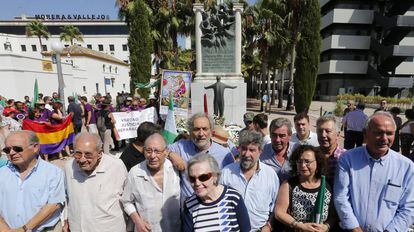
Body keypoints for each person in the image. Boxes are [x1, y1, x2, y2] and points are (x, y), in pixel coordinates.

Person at [334, 112, 414, 231]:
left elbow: (409, 207)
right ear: (365, 134)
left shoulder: (406, 167)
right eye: (378, 133)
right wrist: (354, 228)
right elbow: (341, 197)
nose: (384, 138)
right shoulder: (348, 159)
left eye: (389, 133)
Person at [0, 131, 65, 231]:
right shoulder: (2, 173)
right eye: (7, 150)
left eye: (17, 149)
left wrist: (24, 229)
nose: (12, 153)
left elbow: (54, 205)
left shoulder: (53, 172)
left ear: (35, 147)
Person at [63, 132, 128, 232]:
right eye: (78, 153)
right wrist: (66, 220)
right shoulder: (69, 168)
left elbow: (129, 199)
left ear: (99, 153)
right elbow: (66, 198)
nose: (82, 159)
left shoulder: (116, 166)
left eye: (88, 154)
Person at [221, 130, 279, 231]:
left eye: (252, 150)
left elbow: (275, 206)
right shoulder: (226, 173)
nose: (246, 154)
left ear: (260, 151)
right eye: (244, 149)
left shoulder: (270, 175)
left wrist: (269, 226)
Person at [122, 133, 181, 232]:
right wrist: (137, 221)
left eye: (157, 151)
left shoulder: (175, 168)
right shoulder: (135, 173)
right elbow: (126, 202)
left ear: (166, 152)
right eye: (148, 151)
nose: (152, 156)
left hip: (175, 228)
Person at [168, 113, 234, 199]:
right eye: (196, 129)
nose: (201, 134)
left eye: (205, 129)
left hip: (213, 206)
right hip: (187, 208)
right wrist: (171, 154)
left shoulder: (224, 154)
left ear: (211, 131)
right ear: (190, 131)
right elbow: (159, 149)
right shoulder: (180, 147)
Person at [182, 153, 251, 231]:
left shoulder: (233, 197)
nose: (197, 183)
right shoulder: (189, 205)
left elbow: (246, 229)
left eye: (203, 177)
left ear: (215, 176)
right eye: (192, 179)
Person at [275, 145, 337, 231]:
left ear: (317, 163)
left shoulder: (327, 186)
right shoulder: (288, 185)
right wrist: (300, 226)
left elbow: (333, 215)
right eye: (299, 162)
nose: (303, 165)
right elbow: (279, 213)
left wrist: (326, 227)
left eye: (307, 161)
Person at [260, 118, 296, 183]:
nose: (277, 140)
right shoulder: (261, 152)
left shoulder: (298, 151)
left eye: (282, 136)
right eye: (274, 135)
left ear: (290, 136)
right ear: (270, 135)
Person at [316, 115, 346, 185]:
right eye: (320, 131)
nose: (323, 135)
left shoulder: (346, 157)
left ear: (337, 135)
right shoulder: (312, 154)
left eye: (328, 131)